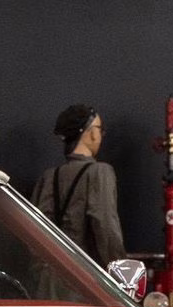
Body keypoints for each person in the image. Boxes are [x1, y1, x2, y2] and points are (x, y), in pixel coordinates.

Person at [34, 104, 125, 266]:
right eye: (99, 129)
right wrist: (121, 270)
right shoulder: (99, 172)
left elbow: (35, 229)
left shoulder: (49, 176)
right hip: (84, 279)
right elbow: (106, 227)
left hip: (49, 277)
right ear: (90, 133)